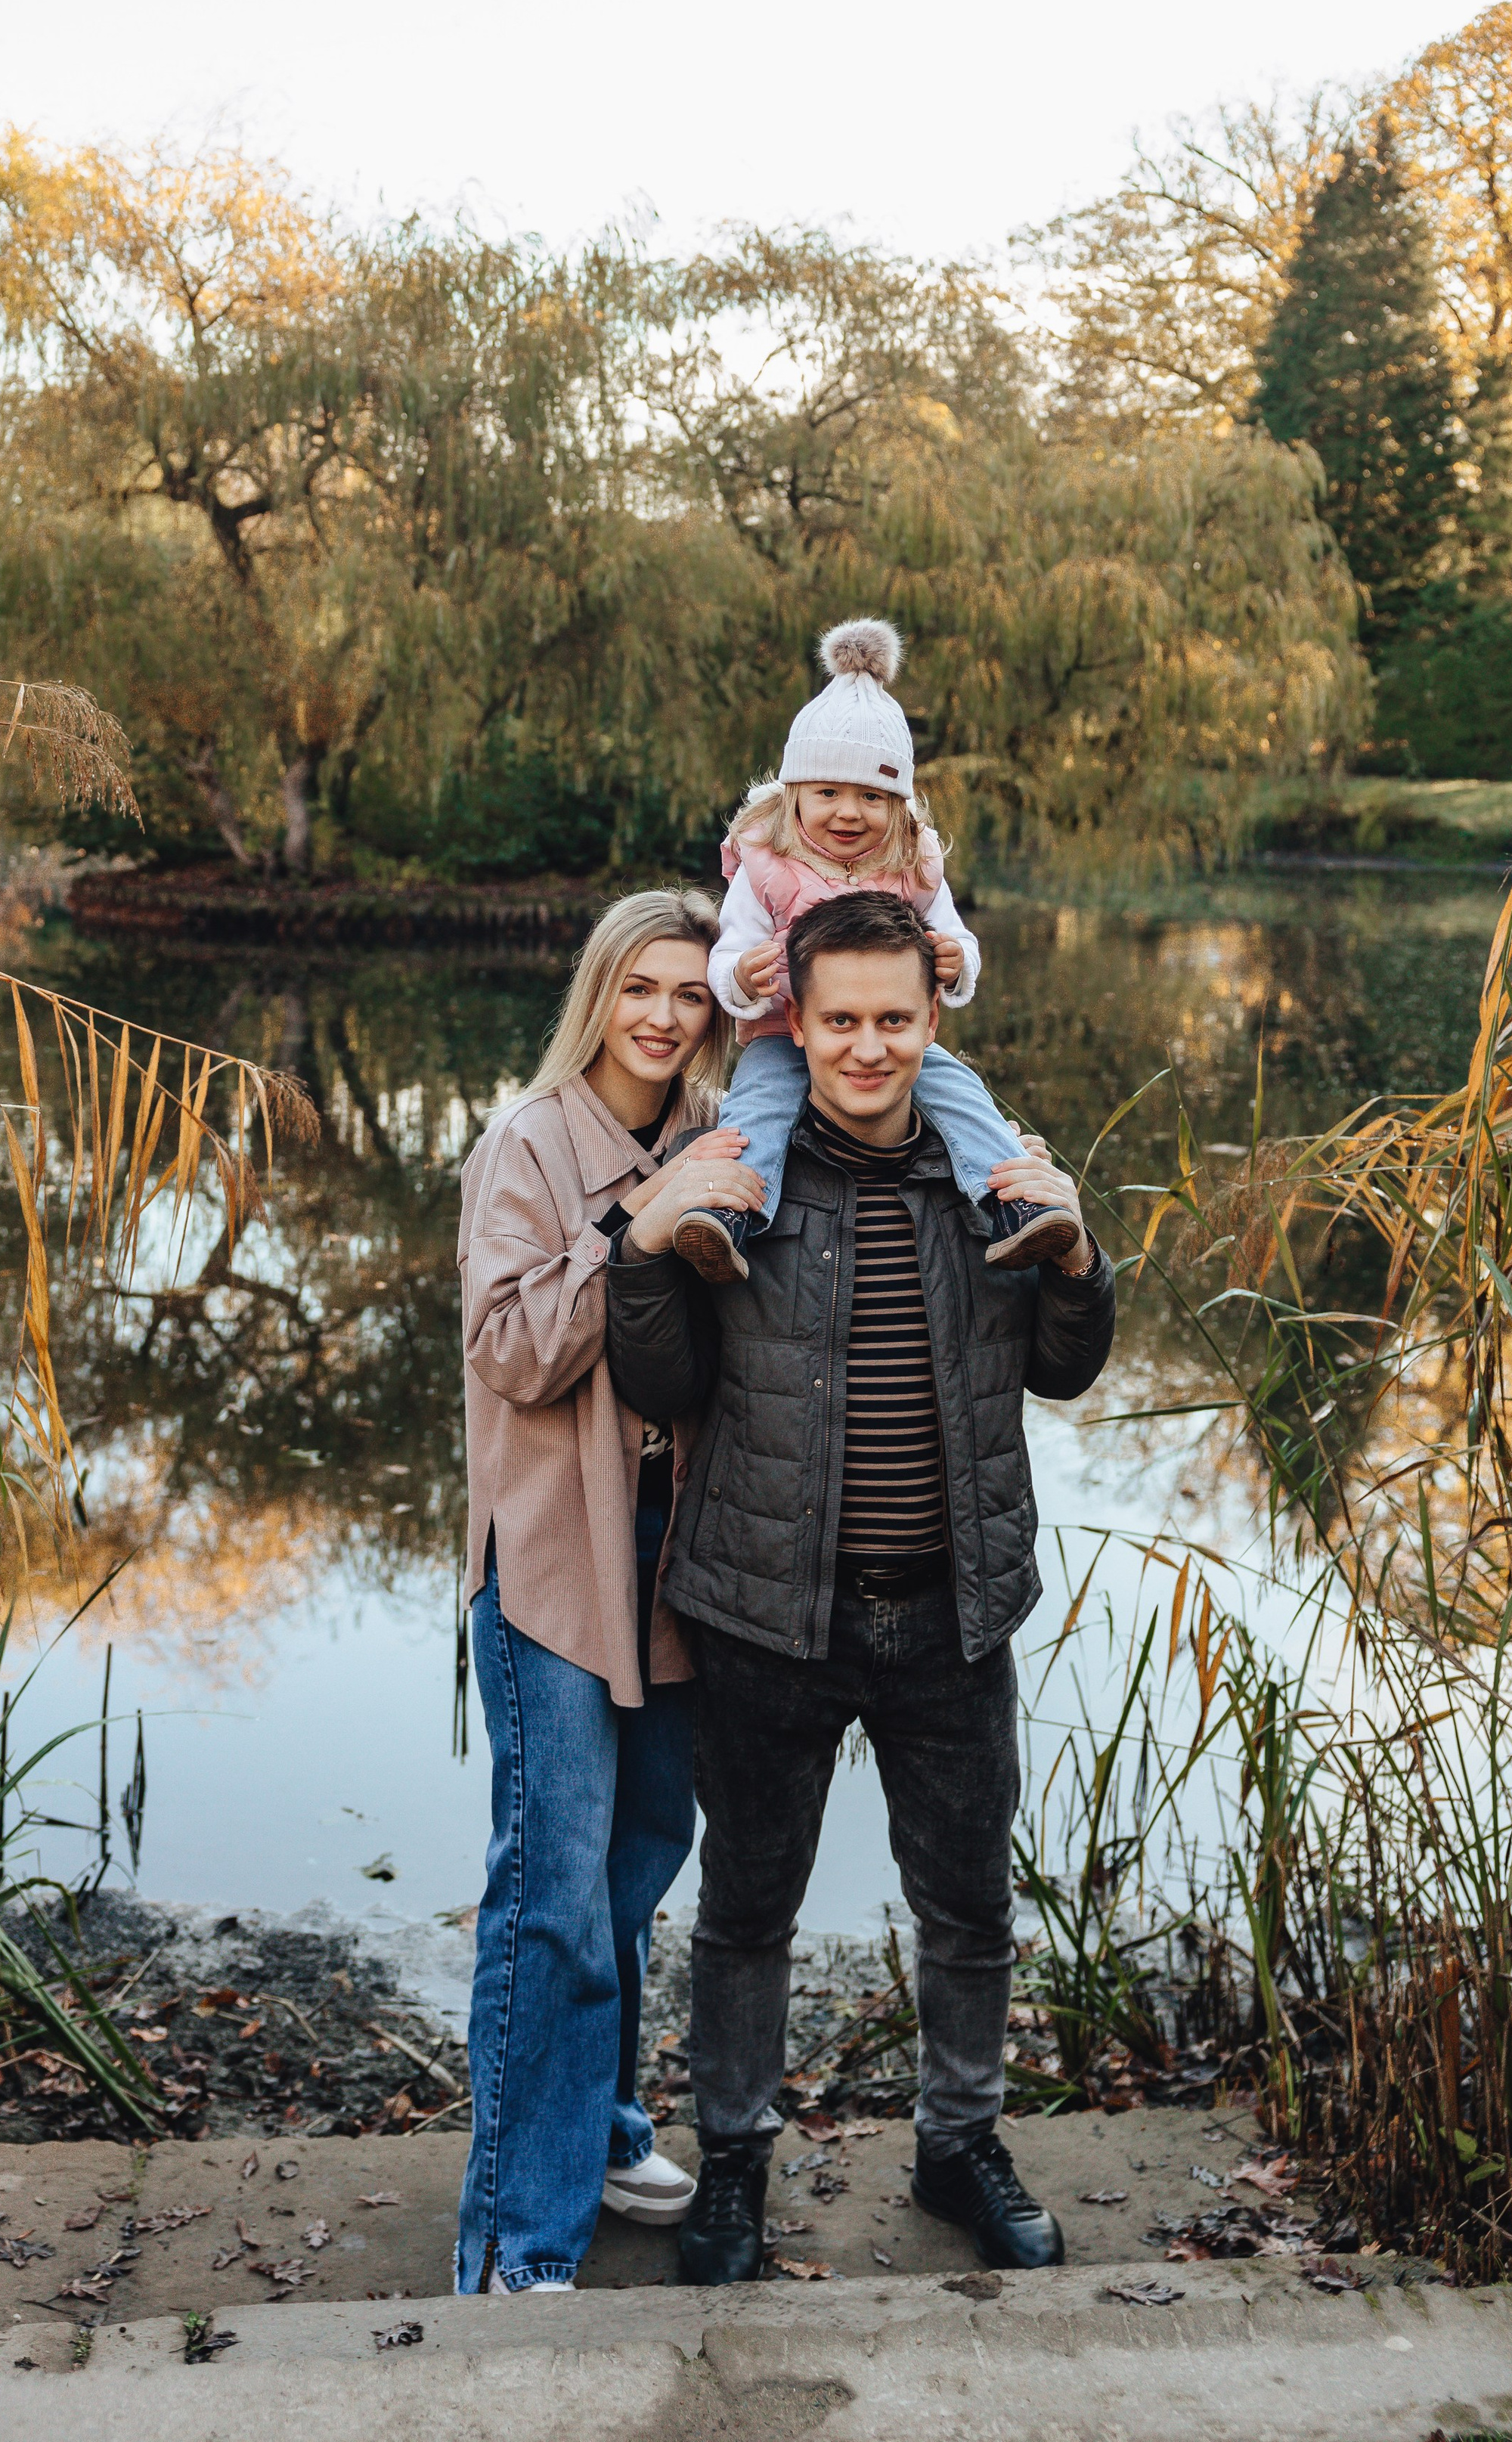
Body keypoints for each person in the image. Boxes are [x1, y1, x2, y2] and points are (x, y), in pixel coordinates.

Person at [605, 888, 1117, 2283]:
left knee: (964, 1908)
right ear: (798, 1022)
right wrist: (643, 1247)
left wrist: (1077, 1252)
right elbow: (663, 1380)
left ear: (930, 1017)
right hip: (770, 1612)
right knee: (747, 1910)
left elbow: (1065, 1369)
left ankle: (960, 2149)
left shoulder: (994, 1171)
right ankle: (733, 2171)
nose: (871, 1047)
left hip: (952, 1616)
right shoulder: (743, 1177)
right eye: (843, 1021)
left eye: (896, 1020)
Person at [454, 888, 764, 2295]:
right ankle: (517, 2239)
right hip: (558, 1565)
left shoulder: (716, 1137)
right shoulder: (527, 1141)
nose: (663, 1016)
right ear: (599, 993)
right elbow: (513, 1353)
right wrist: (638, 1228)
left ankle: (606, 2126)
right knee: (554, 1901)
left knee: (636, 1877)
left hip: (677, 1562)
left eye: (689, 995)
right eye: (641, 988)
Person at [670, 615, 1073, 1288]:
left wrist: (954, 961)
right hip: (779, 1031)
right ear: (795, 795)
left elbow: (956, 934)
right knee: (756, 1112)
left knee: (961, 1092)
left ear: (899, 804)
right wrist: (743, 977)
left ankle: (1015, 1203)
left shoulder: (913, 864)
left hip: (879, 1030)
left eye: (870, 796)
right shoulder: (767, 865)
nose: (848, 812)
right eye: (827, 793)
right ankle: (732, 1214)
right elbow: (727, 954)